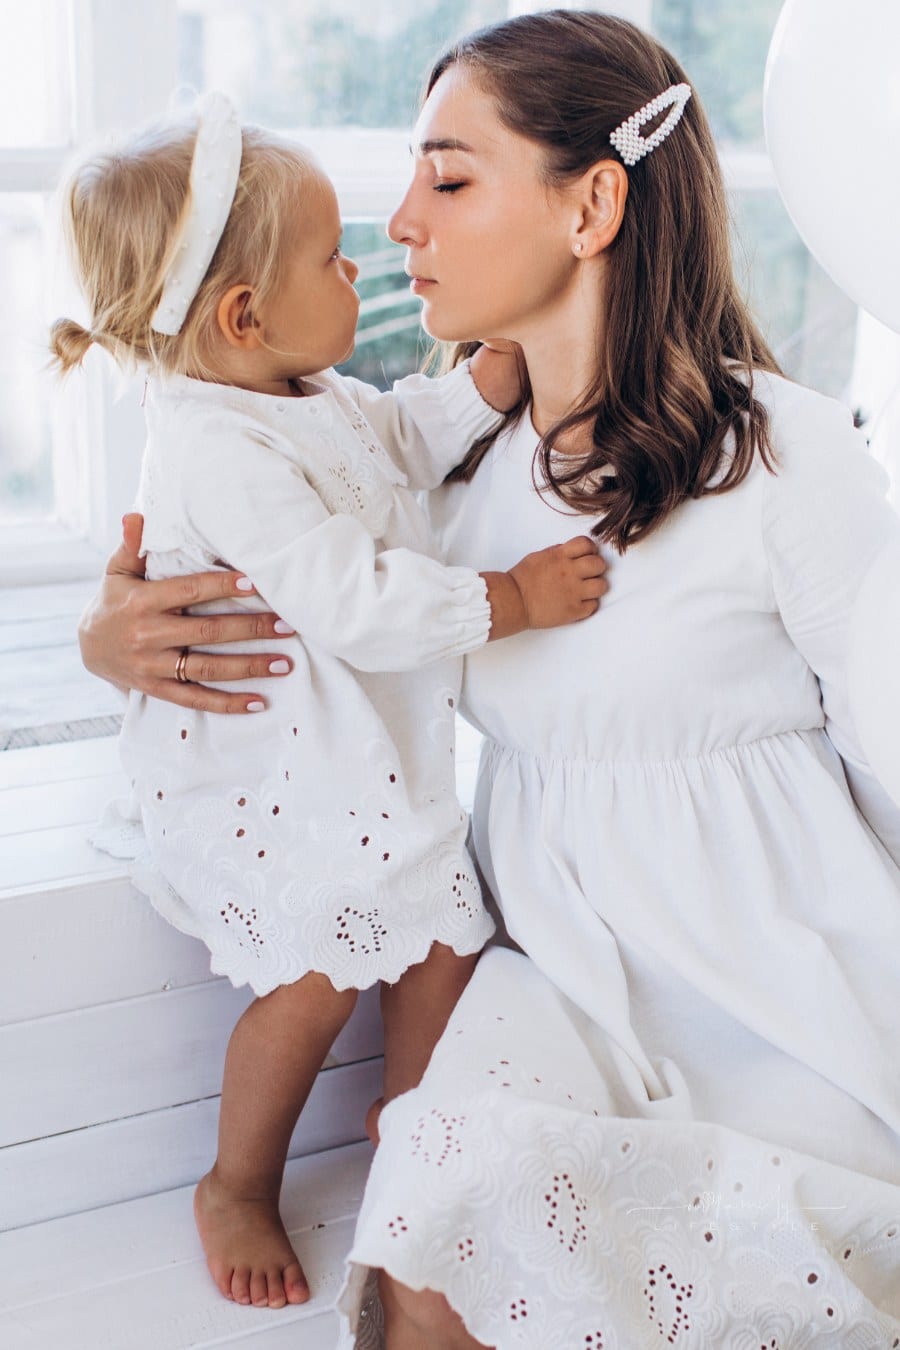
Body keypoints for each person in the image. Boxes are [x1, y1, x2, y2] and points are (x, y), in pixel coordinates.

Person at [77, 10, 900, 1347]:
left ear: (592, 206)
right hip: (550, 968)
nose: (400, 223)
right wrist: (111, 641)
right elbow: (284, 556)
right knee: (434, 1275)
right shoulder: (439, 468)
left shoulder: (782, 458)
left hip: (771, 979)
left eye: (448, 177)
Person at [53, 90, 608, 1318]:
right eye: (331, 255)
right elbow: (354, 601)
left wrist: (480, 389)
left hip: (365, 764)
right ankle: (236, 1179)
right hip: (277, 784)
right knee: (314, 983)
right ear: (246, 314)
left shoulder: (306, 391)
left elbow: (398, 439)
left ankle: (414, 1132)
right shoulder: (213, 445)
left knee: (447, 950)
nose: (361, 265)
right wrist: (506, 599)